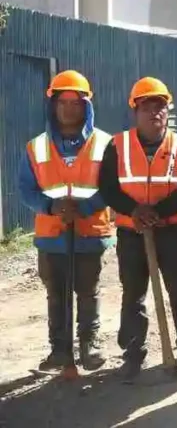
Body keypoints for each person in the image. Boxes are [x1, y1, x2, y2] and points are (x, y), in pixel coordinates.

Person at [98, 77, 177, 381]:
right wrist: (135, 211)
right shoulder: (117, 145)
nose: (155, 113)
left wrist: (158, 213)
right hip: (131, 232)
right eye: (148, 107)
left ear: (167, 111)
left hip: (170, 230)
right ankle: (133, 354)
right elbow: (107, 187)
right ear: (135, 111)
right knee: (133, 294)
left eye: (160, 107)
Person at [18, 71, 113, 372]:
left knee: (87, 291)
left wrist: (85, 209)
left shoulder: (104, 143)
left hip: (89, 233)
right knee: (56, 294)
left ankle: (89, 345)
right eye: (63, 102)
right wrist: (51, 206)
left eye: (76, 102)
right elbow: (25, 189)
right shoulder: (36, 147)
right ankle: (59, 350)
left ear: (86, 106)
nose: (69, 108)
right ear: (53, 106)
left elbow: (112, 186)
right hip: (51, 235)